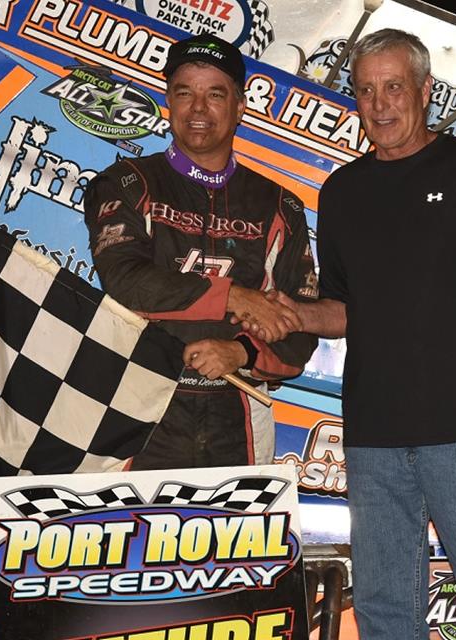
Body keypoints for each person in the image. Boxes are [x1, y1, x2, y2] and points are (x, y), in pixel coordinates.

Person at [245, 28, 456, 639]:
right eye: (366, 91)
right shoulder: (341, 192)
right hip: (373, 441)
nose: (380, 104)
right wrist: (298, 313)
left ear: (425, 91)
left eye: (394, 87)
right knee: (384, 614)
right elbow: (347, 309)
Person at [81, 33, 318, 470]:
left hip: (239, 409)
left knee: (240, 540)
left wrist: (242, 352)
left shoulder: (279, 206)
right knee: (125, 537)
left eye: (215, 94)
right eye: (184, 92)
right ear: (168, 101)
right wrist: (233, 296)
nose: (198, 109)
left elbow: (301, 324)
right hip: (134, 400)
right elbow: (126, 281)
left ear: (240, 106)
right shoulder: (126, 183)